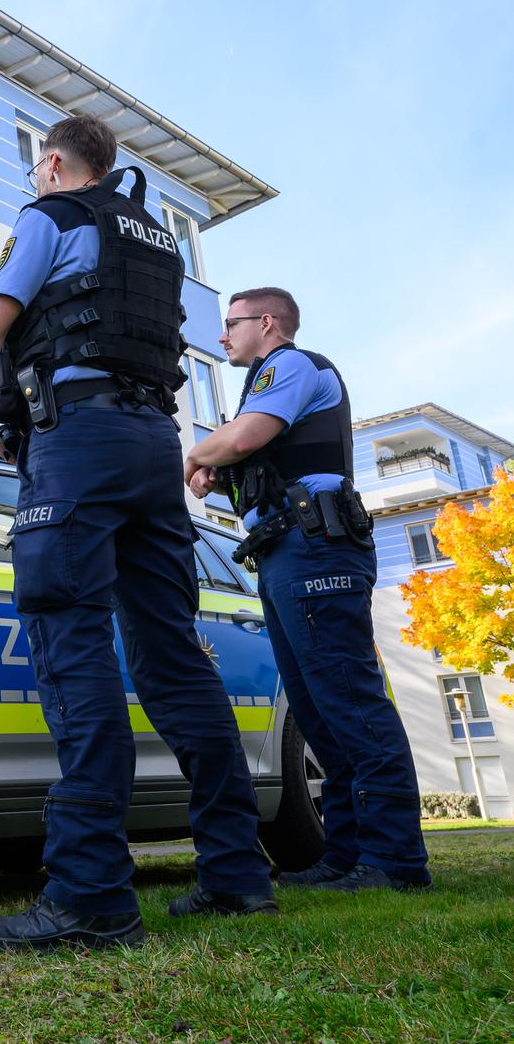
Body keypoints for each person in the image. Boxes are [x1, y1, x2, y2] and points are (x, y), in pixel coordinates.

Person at [0, 114, 274, 952]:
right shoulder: (157, 242)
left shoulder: (51, 216)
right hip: (151, 447)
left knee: (72, 643)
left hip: (79, 445)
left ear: (57, 162)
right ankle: (238, 875)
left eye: (37, 168)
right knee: (172, 653)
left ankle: (93, 894)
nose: (33, 180)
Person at [184, 288, 431, 892]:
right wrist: (222, 471)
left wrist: (196, 454)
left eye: (232, 324)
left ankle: (395, 861)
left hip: (315, 546)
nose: (223, 336)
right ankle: (346, 855)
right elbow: (253, 457)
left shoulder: (291, 365)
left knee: (349, 699)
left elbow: (242, 438)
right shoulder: (270, 381)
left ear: (267, 323)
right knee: (319, 712)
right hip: (285, 548)